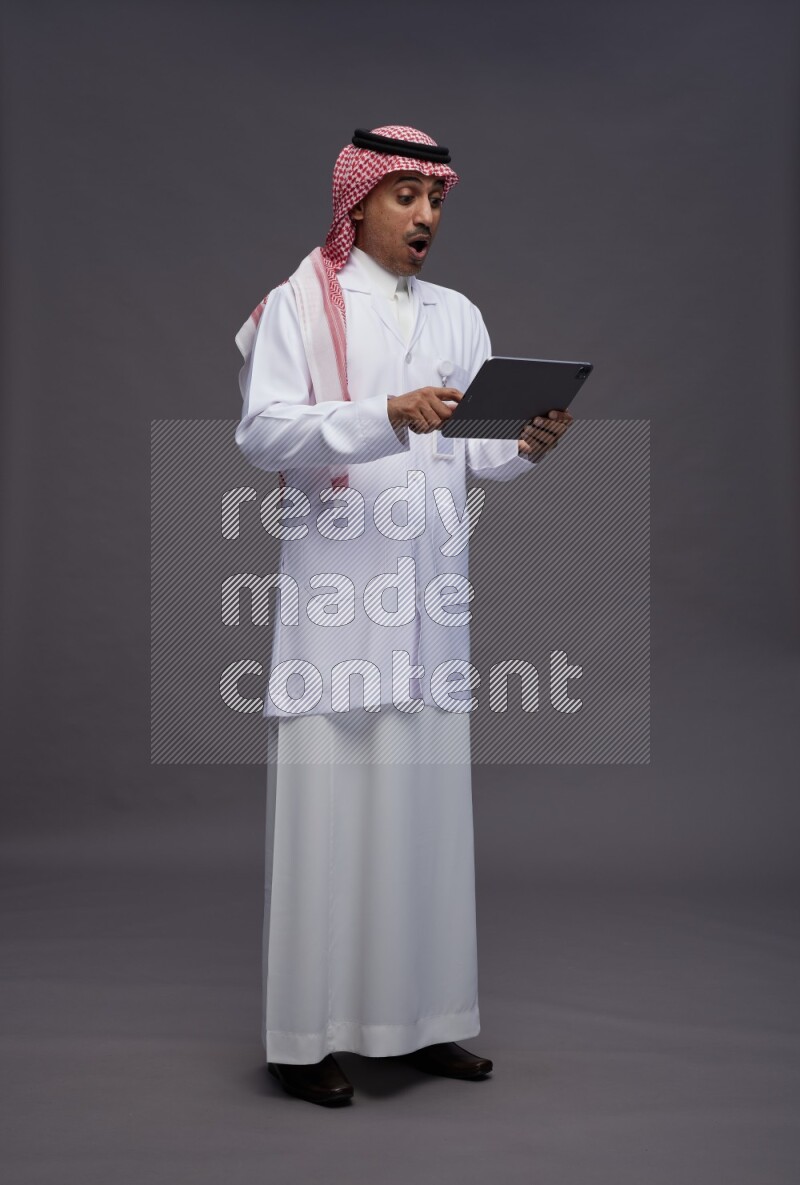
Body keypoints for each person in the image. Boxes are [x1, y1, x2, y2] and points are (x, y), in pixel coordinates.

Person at [234, 125, 573, 1106]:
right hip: (341, 600)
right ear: (356, 202)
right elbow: (262, 433)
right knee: (328, 817)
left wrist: (526, 442)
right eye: (406, 195)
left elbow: (473, 455)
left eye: (436, 198)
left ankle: (420, 1024)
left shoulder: (455, 315)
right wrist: (384, 413)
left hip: (427, 603)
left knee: (421, 819)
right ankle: (303, 1041)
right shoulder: (301, 302)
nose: (426, 215)